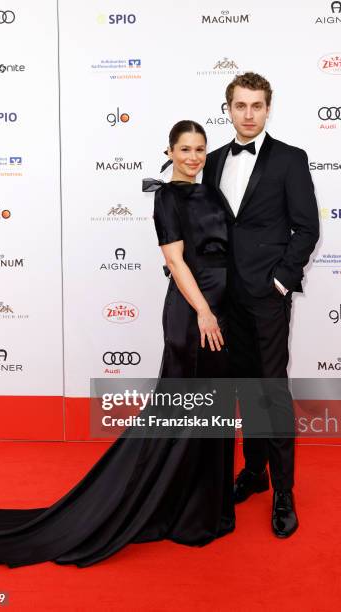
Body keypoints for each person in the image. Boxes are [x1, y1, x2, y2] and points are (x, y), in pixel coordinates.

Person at [0, 120, 235, 568]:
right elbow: (175, 262)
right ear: (170, 152)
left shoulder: (213, 192)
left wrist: (224, 307)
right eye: (184, 149)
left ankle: (201, 506)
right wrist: (203, 311)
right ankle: (174, 507)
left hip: (220, 310)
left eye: (199, 149)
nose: (193, 157)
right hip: (193, 312)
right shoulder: (165, 196)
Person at [202, 72, 319, 538]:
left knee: (271, 392)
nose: (248, 113)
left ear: (269, 108)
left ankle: (284, 493)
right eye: (239, 105)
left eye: (256, 105)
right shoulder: (210, 162)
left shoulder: (290, 159)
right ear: (227, 109)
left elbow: (306, 228)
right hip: (222, 299)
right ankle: (254, 472)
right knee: (239, 389)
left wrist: (280, 282)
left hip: (266, 298)